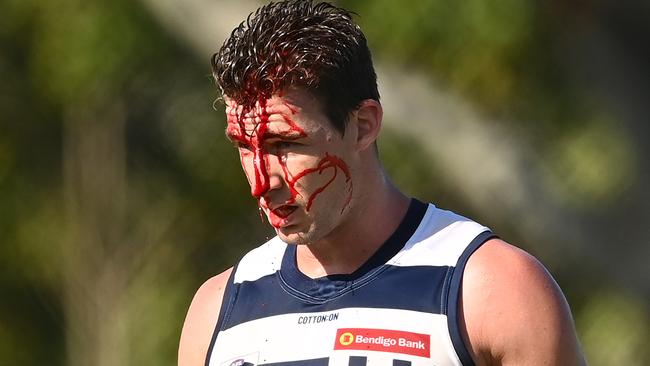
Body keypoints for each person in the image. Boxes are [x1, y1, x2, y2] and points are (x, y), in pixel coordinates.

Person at [179, 1, 587, 365]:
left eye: (285, 143)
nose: (260, 182)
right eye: (244, 147)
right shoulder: (217, 313)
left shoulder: (490, 291)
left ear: (363, 125)